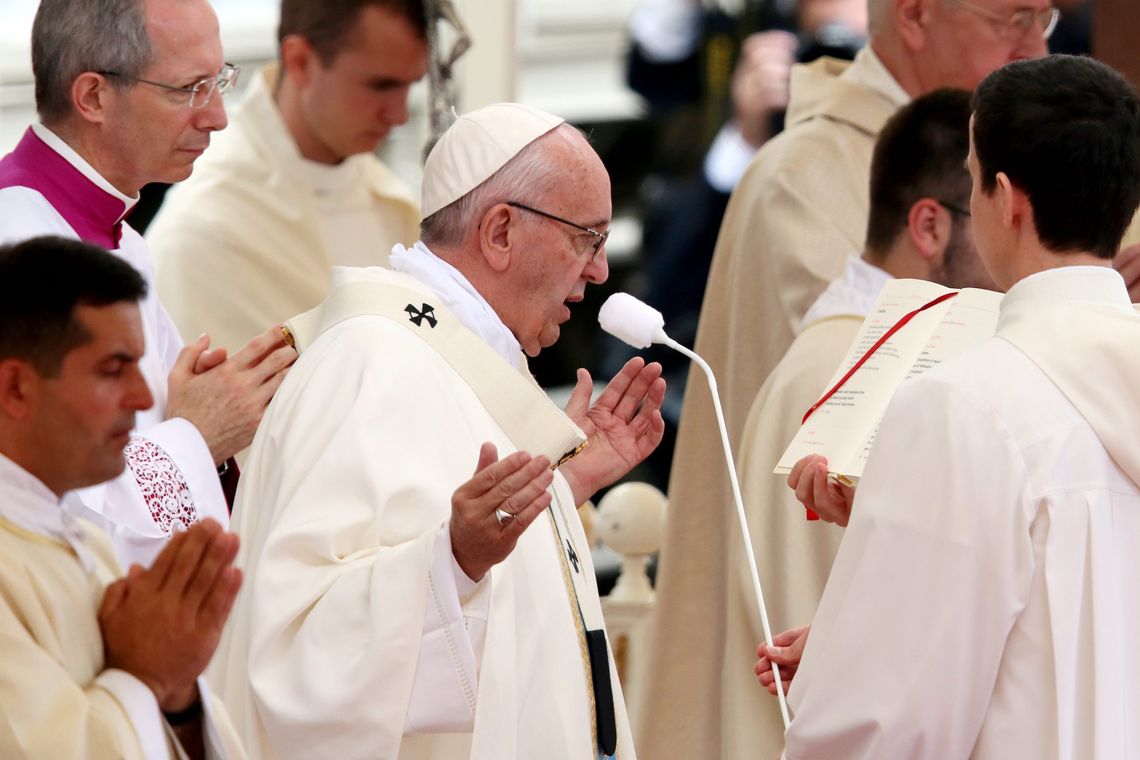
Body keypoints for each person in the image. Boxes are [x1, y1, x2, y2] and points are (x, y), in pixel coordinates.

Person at [639, 1, 1055, 754]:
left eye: (1048, 22)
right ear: (917, 15)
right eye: (1013, 19)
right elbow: (877, 407)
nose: (1034, 49)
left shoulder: (1019, 156)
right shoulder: (802, 175)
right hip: (821, 592)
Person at [209, 102, 666, 759]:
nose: (598, 270)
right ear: (501, 232)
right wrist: (455, 559)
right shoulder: (371, 364)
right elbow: (299, 648)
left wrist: (565, 485)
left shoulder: (455, 361)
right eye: (585, 239)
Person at [769, 54, 1140, 758]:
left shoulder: (964, 408)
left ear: (1007, 200)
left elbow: (886, 723)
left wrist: (849, 657)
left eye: (972, 179)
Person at [723, 87, 992, 757]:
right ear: (929, 227)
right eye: (998, 217)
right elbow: (837, 623)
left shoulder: (881, 355)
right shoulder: (846, 378)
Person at [0, 0, 297, 569]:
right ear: (93, 97)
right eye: (189, 88)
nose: (217, 116)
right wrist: (198, 434)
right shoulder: (22, 244)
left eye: (220, 81)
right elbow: (53, 508)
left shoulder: (123, 239)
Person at [0, 235, 246, 759]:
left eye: (140, 364)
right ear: (16, 388)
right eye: (113, 369)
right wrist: (146, 675)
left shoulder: (84, 540)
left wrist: (179, 693)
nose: (143, 398)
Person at [148, 0, 425, 352]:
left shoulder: (396, 204)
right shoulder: (203, 232)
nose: (399, 114)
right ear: (300, 61)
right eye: (380, 86)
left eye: (410, 85)